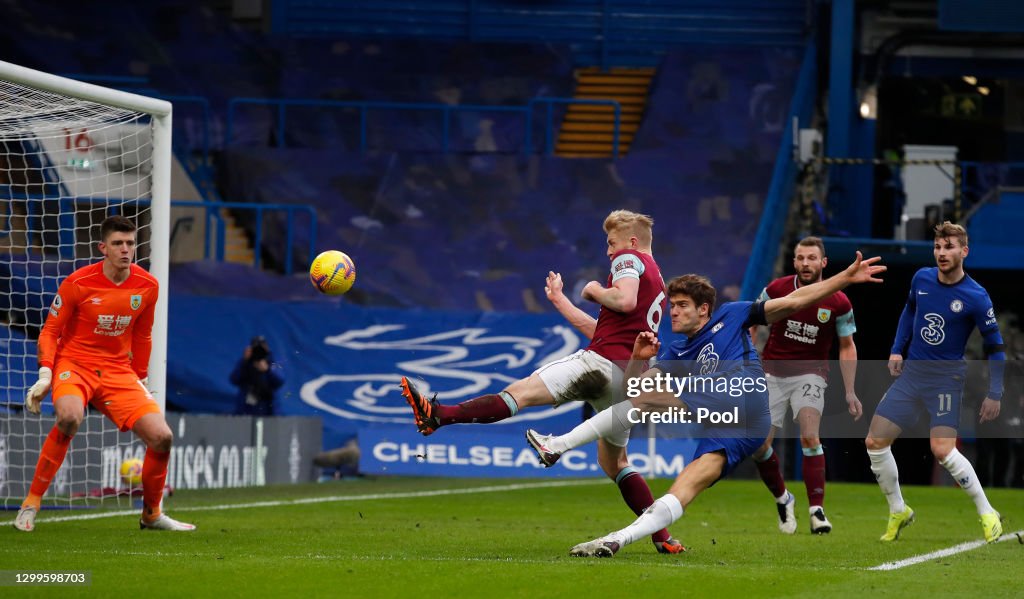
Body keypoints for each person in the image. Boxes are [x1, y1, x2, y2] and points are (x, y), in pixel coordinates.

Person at [525, 253, 884, 557]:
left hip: (746, 406)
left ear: (704, 309)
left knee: (652, 399)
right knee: (682, 486)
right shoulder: (674, 351)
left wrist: (844, 278)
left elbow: (793, 302)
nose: (674, 312)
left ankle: (558, 444)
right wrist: (637, 356)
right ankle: (619, 539)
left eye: (682, 306)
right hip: (722, 421)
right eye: (672, 305)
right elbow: (634, 389)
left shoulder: (734, 314)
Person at [401, 210, 685, 554]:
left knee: (518, 393)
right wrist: (561, 301)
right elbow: (606, 331)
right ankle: (662, 537)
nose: (609, 252)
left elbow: (622, 301)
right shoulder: (656, 277)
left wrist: (593, 290)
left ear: (632, 242)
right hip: (627, 379)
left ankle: (439, 415)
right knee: (616, 463)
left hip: (598, 365)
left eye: (611, 243)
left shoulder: (628, 259)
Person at [16, 215, 194, 532]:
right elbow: (50, 331)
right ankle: (31, 503)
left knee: (162, 437)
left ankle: (151, 515)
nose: (125, 250)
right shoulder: (78, 282)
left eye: (130, 243)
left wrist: (140, 377)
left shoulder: (148, 286)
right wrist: (46, 374)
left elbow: (142, 336)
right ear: (103, 247)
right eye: (118, 244)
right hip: (75, 364)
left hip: (118, 371)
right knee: (70, 417)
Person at [865, 222, 1005, 543]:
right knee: (875, 441)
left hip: (946, 379)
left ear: (964, 251)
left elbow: (995, 348)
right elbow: (909, 311)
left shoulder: (976, 296)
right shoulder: (922, 278)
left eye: (949, 247)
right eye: (938, 248)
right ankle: (899, 510)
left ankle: (987, 512)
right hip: (912, 374)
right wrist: (896, 349)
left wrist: (995, 393)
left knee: (942, 450)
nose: (942, 254)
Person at [748, 236, 863, 535]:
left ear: (823, 262)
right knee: (759, 446)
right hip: (771, 373)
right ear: (794, 261)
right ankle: (783, 499)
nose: (805, 263)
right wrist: (749, 360)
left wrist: (850, 391)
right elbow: (753, 320)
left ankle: (817, 510)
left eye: (812, 258)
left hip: (811, 375)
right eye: (800, 258)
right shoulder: (777, 289)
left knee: (810, 437)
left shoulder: (838, 301)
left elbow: (847, 345)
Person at [230, 336, 284, 416]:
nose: (259, 350)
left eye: (262, 346)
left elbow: (280, 381)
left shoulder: (272, 361)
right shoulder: (245, 362)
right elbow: (234, 379)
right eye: (256, 347)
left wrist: (267, 370)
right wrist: (245, 361)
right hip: (248, 407)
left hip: (268, 407)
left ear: (267, 347)